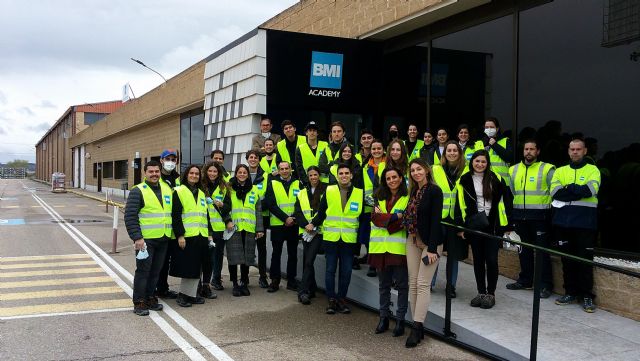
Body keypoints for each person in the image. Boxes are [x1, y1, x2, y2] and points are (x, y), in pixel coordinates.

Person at [455, 150, 512, 310]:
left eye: (483, 162)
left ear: (487, 164)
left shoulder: (496, 178)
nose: (480, 164)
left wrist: (507, 226)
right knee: (478, 260)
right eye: (477, 161)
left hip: (493, 226)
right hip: (474, 225)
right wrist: (461, 227)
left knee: (492, 260)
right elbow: (459, 203)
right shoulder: (464, 180)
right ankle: (481, 292)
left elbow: (506, 202)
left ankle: (491, 293)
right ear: (472, 162)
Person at [551, 138, 600, 313]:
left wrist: (569, 188)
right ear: (568, 151)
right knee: (567, 260)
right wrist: (577, 189)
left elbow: (590, 190)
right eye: (572, 149)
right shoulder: (560, 171)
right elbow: (556, 193)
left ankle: (586, 296)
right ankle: (570, 292)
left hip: (585, 223)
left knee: (585, 260)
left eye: (578, 149)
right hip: (563, 223)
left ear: (585, 151)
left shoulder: (592, 170)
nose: (575, 152)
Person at [309, 163, 364, 315]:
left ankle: (342, 299)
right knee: (330, 270)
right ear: (337, 175)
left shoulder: (359, 193)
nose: (344, 175)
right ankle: (331, 300)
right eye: (341, 173)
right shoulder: (329, 190)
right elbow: (321, 212)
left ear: (351, 175)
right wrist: (312, 223)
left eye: (347, 173)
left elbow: (364, 217)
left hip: (349, 239)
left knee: (346, 271)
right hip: (331, 238)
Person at [506, 140, 555, 299]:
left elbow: (554, 192)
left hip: (540, 217)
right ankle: (525, 280)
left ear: (537, 151)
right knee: (523, 250)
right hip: (520, 216)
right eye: (526, 149)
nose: (528, 152)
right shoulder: (513, 169)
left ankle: (545, 285)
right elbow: (513, 191)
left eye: (532, 149)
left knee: (542, 252)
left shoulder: (547, 169)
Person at [403, 158, 443, 348]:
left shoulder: (435, 191)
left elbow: (436, 220)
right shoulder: (413, 190)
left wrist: (433, 249)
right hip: (412, 240)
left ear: (427, 170)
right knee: (412, 283)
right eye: (413, 170)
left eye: (419, 169)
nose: (416, 173)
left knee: (422, 283)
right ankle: (418, 326)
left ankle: (416, 327)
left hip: (430, 243)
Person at [125, 160, 172, 316]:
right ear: (145, 173)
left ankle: (151, 297)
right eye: (151, 172)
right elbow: (130, 216)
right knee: (143, 271)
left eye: (157, 171)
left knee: (155, 272)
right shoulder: (138, 190)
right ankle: (139, 302)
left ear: (160, 172)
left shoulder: (166, 189)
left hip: (163, 238)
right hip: (145, 241)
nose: (154, 174)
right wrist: (137, 237)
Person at [369, 167, 410, 337]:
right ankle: (383, 318)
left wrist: (387, 218)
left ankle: (400, 320)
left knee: (402, 286)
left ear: (401, 178)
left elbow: (403, 222)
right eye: (388, 178)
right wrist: (395, 216)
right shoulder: (379, 197)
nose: (392, 180)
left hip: (398, 250)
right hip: (379, 249)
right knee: (383, 286)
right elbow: (375, 219)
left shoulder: (408, 198)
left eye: (395, 177)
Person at [430, 141, 467, 298]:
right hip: (438, 218)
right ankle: (429, 282)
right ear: (444, 154)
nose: (452, 153)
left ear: (459, 153)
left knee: (453, 255)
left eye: (455, 150)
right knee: (433, 253)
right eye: (449, 150)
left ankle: (450, 286)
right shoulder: (434, 169)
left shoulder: (465, 171)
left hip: (456, 219)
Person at [171, 165, 209, 307]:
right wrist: (180, 235)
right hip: (187, 235)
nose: (194, 176)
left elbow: (205, 215)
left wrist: (208, 235)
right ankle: (183, 295)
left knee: (196, 266)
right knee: (187, 267)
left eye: (197, 174)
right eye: (191, 173)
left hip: (201, 234)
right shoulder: (179, 191)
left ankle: (192, 295)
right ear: (186, 175)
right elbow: (176, 215)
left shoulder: (201, 192)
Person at [264, 160, 302, 292]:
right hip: (278, 224)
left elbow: (302, 203)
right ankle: (275, 281)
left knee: (293, 254)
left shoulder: (298, 183)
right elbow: (271, 204)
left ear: (291, 169)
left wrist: (293, 218)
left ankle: (291, 281)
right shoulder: (272, 183)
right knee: (276, 253)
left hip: (294, 224)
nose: (285, 171)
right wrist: (286, 218)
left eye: (287, 168)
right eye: (282, 169)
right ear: (278, 171)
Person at [227, 164, 264, 297]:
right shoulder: (229, 189)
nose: (242, 174)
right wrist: (227, 221)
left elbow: (258, 210)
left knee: (246, 257)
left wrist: (259, 228)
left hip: (249, 228)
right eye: (239, 172)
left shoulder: (254, 190)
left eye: (244, 172)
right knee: (233, 257)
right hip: (233, 228)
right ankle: (235, 284)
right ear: (236, 174)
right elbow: (225, 208)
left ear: (248, 175)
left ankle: (244, 282)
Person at [293, 166, 327, 305]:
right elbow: (298, 211)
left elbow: (325, 211)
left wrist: (314, 224)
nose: (313, 177)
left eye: (315, 175)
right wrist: (305, 225)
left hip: (319, 231)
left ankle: (303, 291)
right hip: (306, 231)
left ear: (319, 175)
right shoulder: (302, 193)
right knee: (307, 260)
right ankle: (311, 289)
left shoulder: (326, 190)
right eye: (311, 175)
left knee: (308, 261)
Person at [201, 161, 231, 293]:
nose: (212, 173)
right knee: (205, 256)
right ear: (206, 172)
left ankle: (216, 279)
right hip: (204, 227)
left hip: (219, 228)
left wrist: (222, 206)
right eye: (210, 171)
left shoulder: (224, 187)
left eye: (215, 171)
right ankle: (202, 283)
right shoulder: (201, 186)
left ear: (219, 173)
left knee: (218, 256)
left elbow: (229, 206)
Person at [155, 149, 180, 299]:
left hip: (172, 228)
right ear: (162, 160)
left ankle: (163, 288)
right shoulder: (157, 178)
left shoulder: (177, 179)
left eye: (173, 159)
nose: (170, 162)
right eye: (168, 159)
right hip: (159, 228)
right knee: (158, 262)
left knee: (166, 262)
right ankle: (154, 289)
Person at [360, 139, 387, 276]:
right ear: (370, 151)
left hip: (383, 206)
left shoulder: (388, 165)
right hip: (367, 207)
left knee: (380, 235)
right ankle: (372, 264)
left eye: (379, 148)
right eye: (374, 149)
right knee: (369, 236)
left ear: (383, 150)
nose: (376, 151)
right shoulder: (365, 168)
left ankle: (378, 264)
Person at [246, 149, 270, 288]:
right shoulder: (242, 174)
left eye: (255, 157)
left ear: (259, 160)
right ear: (247, 159)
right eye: (251, 157)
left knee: (262, 248)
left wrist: (259, 206)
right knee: (247, 248)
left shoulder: (266, 176)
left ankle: (262, 276)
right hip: (247, 218)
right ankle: (245, 276)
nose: (253, 159)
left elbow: (269, 196)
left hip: (262, 217)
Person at [471, 117, 513, 183]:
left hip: (502, 182)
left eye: (492, 127)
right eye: (487, 127)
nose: (489, 129)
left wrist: (495, 145)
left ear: (497, 129)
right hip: (483, 182)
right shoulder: (479, 143)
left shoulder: (505, 141)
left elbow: (509, 158)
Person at [295, 121, 328, 187]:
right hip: (307, 183)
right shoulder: (300, 148)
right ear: (306, 133)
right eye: (310, 130)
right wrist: (306, 182)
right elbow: (299, 168)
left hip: (324, 182)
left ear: (317, 133)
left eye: (314, 130)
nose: (312, 132)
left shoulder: (325, 145)